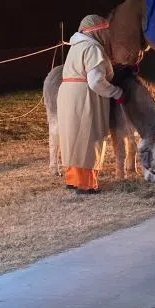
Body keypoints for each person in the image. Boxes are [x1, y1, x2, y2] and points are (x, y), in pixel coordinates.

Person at [57, 14, 123, 194]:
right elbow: (95, 81)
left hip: (68, 95)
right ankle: (86, 184)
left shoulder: (76, 47)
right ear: (99, 32)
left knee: (73, 137)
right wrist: (116, 92)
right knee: (88, 137)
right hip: (84, 95)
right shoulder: (93, 48)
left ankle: (73, 179)